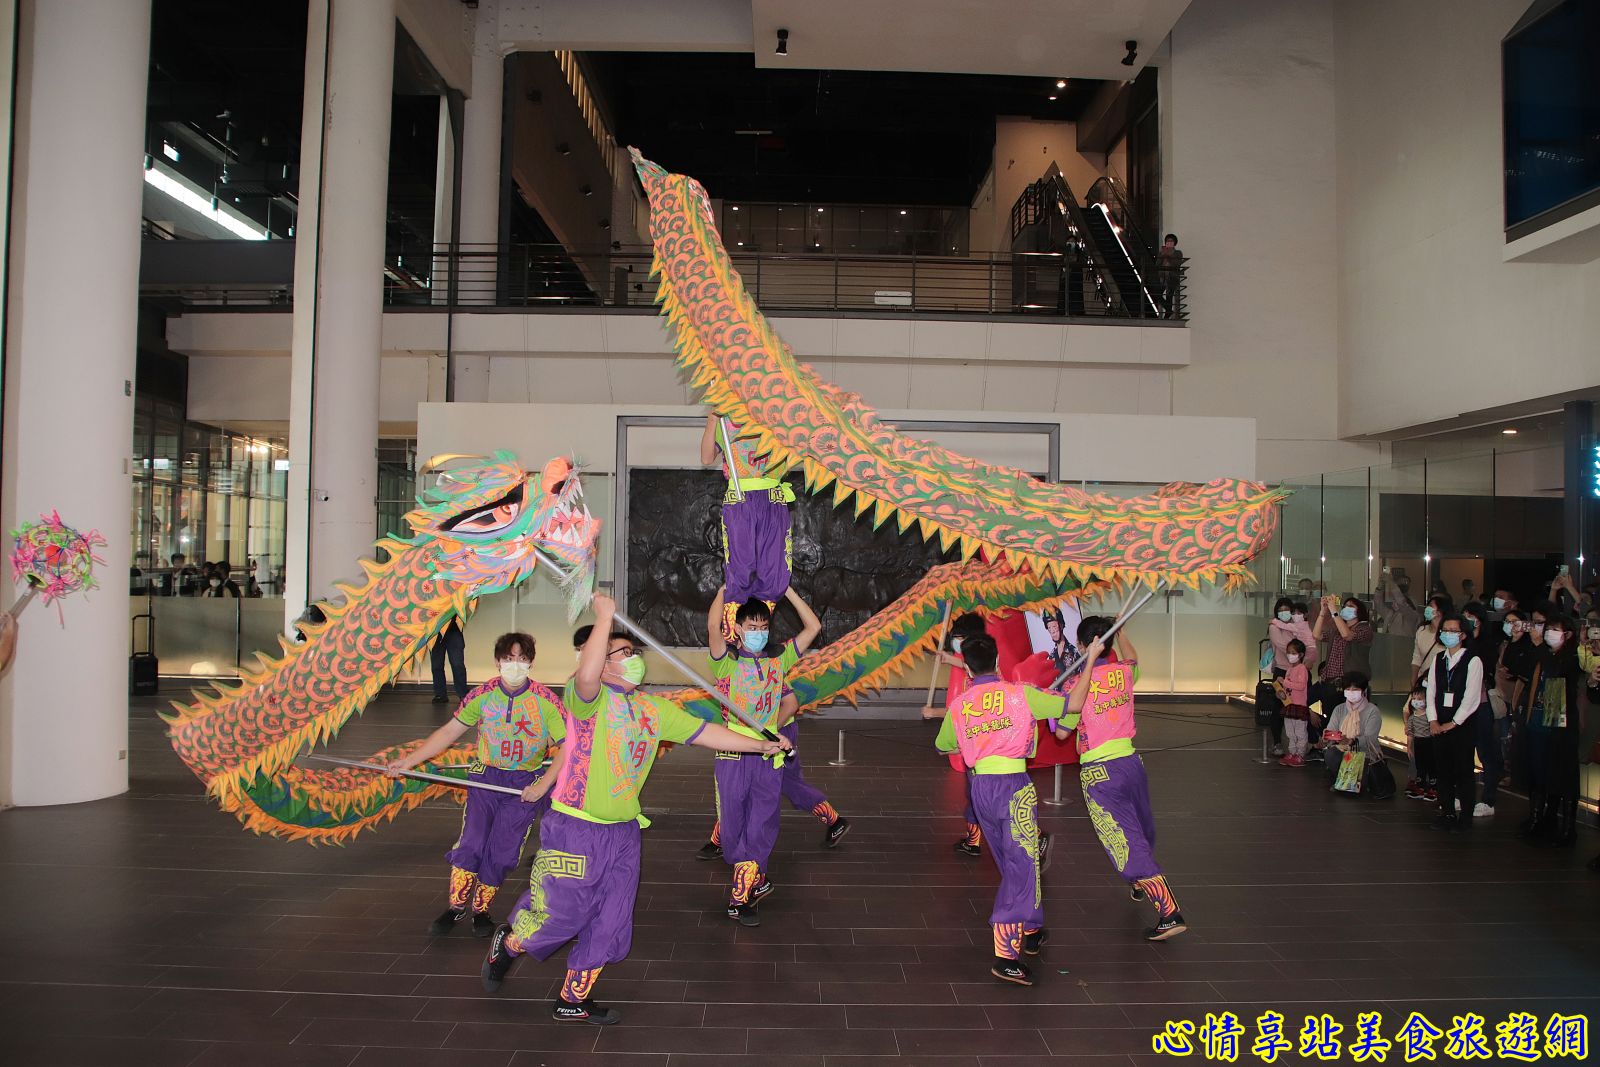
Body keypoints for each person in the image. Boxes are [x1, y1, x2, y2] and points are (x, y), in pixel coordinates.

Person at [483, 595, 791, 1024]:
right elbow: (586, 674)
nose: (633, 659)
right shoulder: (586, 701)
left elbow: (709, 733)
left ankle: (573, 998)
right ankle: (511, 942)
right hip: (575, 829)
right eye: (622, 653)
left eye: (634, 652)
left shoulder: (653, 709)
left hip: (625, 833)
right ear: (602, 664)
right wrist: (604, 618)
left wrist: (761, 745)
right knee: (560, 916)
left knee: (612, 920)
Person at [388, 632, 564, 937]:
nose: (515, 665)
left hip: (524, 785)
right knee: (472, 842)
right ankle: (456, 907)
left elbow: (567, 747)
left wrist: (543, 785)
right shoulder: (482, 695)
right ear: (497, 662)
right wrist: (409, 761)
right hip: (486, 779)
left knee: (503, 851)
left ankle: (481, 910)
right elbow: (448, 732)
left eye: (522, 659)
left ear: (531, 663)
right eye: (509, 658)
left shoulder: (546, 701)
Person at [933, 632, 1060, 986]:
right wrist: (1091, 658)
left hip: (981, 789)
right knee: (1021, 864)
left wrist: (976, 740)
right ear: (998, 662)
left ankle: (1031, 927)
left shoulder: (961, 704)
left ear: (968, 670)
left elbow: (943, 745)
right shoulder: (1020, 694)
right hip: (1014, 787)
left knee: (1013, 861)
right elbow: (1068, 706)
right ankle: (1005, 956)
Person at [1051, 616, 1186, 942]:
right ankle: (1140, 882)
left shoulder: (1074, 685)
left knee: (1124, 841)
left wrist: (1053, 713)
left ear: (1081, 645)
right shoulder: (1123, 672)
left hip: (1100, 773)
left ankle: (1169, 912)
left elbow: (1062, 732)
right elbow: (1133, 658)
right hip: (1131, 763)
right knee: (1140, 827)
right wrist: (1122, 633)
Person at [704, 585, 822, 925]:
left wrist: (788, 591)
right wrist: (723, 591)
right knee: (732, 827)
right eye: (752, 627)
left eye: (764, 627)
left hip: (769, 754)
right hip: (732, 751)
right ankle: (752, 879)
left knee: (762, 823)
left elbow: (813, 627)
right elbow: (712, 627)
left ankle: (741, 897)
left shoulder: (778, 659)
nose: (759, 632)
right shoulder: (726, 663)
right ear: (739, 629)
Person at [696, 681, 850, 860]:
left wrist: (768, 735)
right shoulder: (738, 671)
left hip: (773, 733)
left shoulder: (766, 670)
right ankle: (723, 839)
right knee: (737, 787)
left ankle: (724, 841)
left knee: (776, 784)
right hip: (758, 735)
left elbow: (790, 703)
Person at [701, 413, 796, 635]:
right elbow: (706, 458)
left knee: (774, 568)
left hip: (772, 496)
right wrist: (713, 419)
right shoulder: (726, 419)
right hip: (740, 496)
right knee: (740, 566)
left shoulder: (780, 415)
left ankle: (759, 630)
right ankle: (734, 633)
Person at [1518, 615, 1583, 846]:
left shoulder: (1572, 657)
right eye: (1548, 629)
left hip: (1561, 724)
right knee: (1538, 771)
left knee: (1562, 775)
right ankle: (1539, 819)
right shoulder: (1544, 656)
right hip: (1538, 720)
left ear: (1568, 634)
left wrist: (1540, 647)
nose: (1548, 633)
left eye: (1555, 629)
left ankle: (1567, 829)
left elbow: (1561, 680)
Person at [1424, 614, 1484, 831]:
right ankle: (1447, 812)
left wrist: (1454, 722)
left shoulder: (1473, 660)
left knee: (1463, 771)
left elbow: (1471, 698)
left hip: (1462, 725)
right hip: (1439, 722)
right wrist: (1433, 720)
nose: (1448, 634)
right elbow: (1431, 691)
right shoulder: (1439, 659)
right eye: (1445, 630)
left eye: (1453, 630)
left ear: (1463, 635)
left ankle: (1465, 817)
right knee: (1443, 771)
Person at [1312, 595, 1374, 728]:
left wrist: (1334, 611)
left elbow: (1347, 635)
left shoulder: (1364, 629)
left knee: (1347, 722)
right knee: (1331, 718)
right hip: (1329, 681)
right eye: (1345, 606)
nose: (1346, 609)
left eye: (1351, 606)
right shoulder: (1336, 629)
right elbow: (1317, 635)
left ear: (1359, 611)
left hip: (1348, 683)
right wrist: (1323, 611)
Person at [1316, 672, 1383, 788]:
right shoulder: (1339, 709)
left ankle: (1347, 780)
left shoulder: (1372, 711)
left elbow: (1370, 738)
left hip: (1366, 754)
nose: (1351, 693)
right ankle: (1345, 780)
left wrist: (1351, 741)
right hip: (1342, 750)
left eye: (1355, 690)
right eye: (1348, 689)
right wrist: (1328, 737)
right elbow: (1331, 729)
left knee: (1357, 773)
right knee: (1331, 754)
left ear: (1363, 691)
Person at [1277, 638, 1312, 767]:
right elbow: (1287, 689)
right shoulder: (1289, 669)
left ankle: (1300, 755)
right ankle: (1292, 752)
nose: (1290, 655)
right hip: (1289, 705)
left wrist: (1285, 682)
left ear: (1300, 655)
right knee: (1290, 732)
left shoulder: (1302, 668)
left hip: (1299, 706)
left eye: (1293, 653)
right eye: (1288, 652)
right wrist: (1280, 691)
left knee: (1300, 732)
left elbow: (1301, 686)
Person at [1402, 681, 1436, 801]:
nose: (1416, 701)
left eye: (1420, 699)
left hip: (1429, 743)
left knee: (1431, 765)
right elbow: (1410, 734)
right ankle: (1420, 787)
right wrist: (1409, 747)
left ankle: (1434, 788)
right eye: (1414, 699)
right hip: (1418, 743)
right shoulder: (1411, 718)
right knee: (1420, 765)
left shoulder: (1430, 716)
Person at [1409, 595, 1451, 687]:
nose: (1427, 608)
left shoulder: (1449, 633)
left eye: (1431, 606)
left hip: (1441, 681)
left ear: (1439, 612)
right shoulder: (1422, 630)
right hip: (1424, 681)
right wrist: (1414, 680)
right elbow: (1417, 658)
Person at [431, 617, 469, 705]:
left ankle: (463, 694)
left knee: (457, 664)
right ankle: (440, 694)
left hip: (453, 629)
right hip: (435, 631)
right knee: (436, 665)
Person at [1156, 232, 1183, 317]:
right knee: (1157, 294)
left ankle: (1167, 315)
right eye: (1167, 241)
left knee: (1169, 296)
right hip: (1163, 277)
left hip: (1172, 277)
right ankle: (1169, 310)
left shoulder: (1178, 253)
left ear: (1174, 243)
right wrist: (1162, 255)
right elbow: (1157, 264)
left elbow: (1177, 264)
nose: (1169, 243)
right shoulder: (1162, 252)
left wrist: (1168, 256)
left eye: (1171, 241)